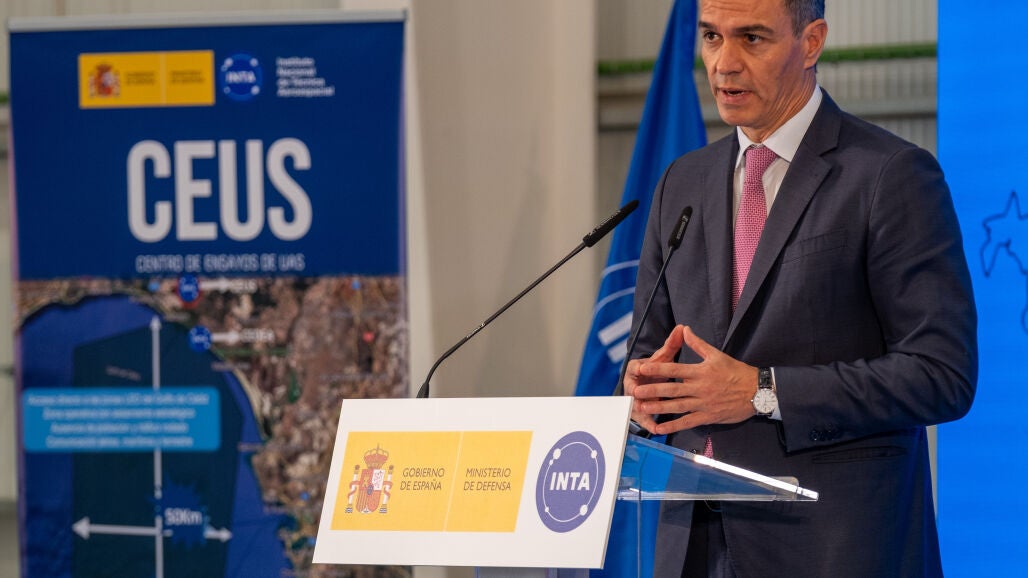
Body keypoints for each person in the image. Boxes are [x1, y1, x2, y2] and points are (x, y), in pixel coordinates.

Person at [622, 0, 977, 576]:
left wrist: (763, 391)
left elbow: (941, 375)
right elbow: (647, 352)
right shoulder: (681, 181)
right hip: (693, 547)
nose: (724, 63)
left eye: (752, 38)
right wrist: (642, 393)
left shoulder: (889, 174)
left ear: (811, 42)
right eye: (711, 37)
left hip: (834, 547)